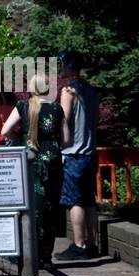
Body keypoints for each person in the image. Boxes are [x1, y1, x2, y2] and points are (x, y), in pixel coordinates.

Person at [0, 72, 65, 267]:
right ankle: (46, 256)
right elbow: (67, 140)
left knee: (29, 207)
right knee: (50, 208)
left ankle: (29, 253)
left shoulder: (23, 106)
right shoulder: (57, 109)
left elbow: (4, 131)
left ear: (31, 88)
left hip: (29, 160)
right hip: (52, 162)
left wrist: (20, 140)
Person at [54, 50, 100, 262]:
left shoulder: (68, 91)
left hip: (74, 153)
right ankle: (92, 243)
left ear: (67, 66)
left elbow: (64, 120)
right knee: (89, 200)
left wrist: (60, 144)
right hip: (91, 153)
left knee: (75, 200)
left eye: (62, 65)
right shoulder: (91, 90)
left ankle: (79, 245)